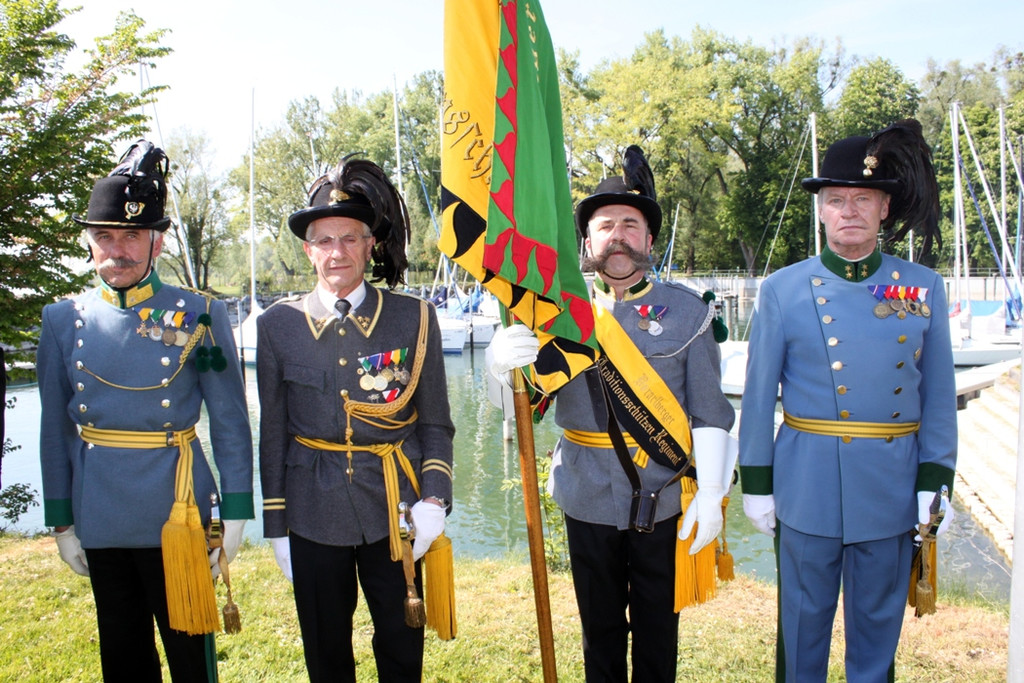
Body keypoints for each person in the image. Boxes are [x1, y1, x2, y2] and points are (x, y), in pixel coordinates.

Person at [488, 146, 736, 682]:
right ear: (587, 242)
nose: (617, 235)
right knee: (598, 630)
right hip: (584, 491)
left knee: (656, 631)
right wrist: (495, 366)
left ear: (649, 240)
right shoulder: (554, 314)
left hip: (663, 491)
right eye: (605, 225)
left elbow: (711, 411)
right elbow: (518, 409)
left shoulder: (689, 310)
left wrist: (713, 491)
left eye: (630, 223)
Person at [739, 119, 957, 682]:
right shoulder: (783, 289)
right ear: (821, 210)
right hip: (806, 482)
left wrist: (935, 481)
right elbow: (759, 397)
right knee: (802, 631)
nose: (850, 210)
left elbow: (936, 396)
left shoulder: (923, 287)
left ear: (885, 210)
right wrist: (757, 486)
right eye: (837, 199)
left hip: (889, 483)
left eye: (864, 198)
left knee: (876, 632)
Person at [37, 140, 253, 682]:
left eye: (132, 236)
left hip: (178, 508)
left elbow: (228, 419)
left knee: (190, 654)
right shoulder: (63, 320)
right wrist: (62, 520)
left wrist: (237, 510)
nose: (118, 250)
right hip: (101, 511)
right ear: (89, 244)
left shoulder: (200, 314)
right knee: (123, 652)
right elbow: (55, 429)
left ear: (156, 242)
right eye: (104, 237)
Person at [258, 156, 455, 683]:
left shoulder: (414, 317)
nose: (336, 251)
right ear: (308, 249)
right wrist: (277, 524)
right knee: (325, 649)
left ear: (371, 245)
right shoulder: (278, 325)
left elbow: (435, 422)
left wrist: (435, 497)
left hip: (396, 509)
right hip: (311, 511)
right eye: (324, 240)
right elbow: (273, 431)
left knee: (400, 640)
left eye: (350, 238)